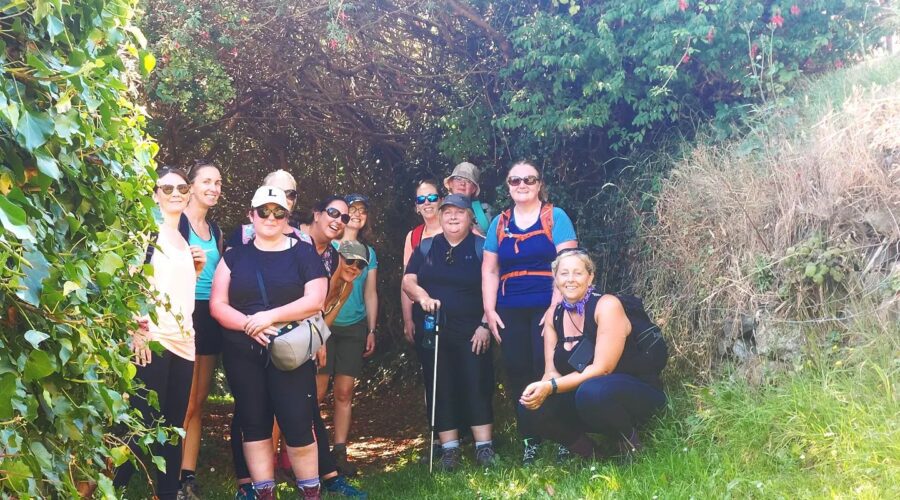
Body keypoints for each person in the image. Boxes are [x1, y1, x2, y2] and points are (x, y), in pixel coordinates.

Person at [210, 186, 327, 499]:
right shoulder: (234, 256)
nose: (271, 218)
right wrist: (251, 325)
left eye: (278, 212)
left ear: (287, 217)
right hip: (242, 353)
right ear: (251, 215)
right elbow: (218, 305)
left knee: (299, 425)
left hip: (291, 353)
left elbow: (315, 300)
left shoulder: (303, 252)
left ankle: (310, 493)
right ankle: (264, 493)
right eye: (264, 211)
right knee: (254, 424)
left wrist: (269, 317)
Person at [519, 249, 667, 459]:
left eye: (578, 273)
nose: (571, 279)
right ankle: (592, 455)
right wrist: (542, 389)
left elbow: (602, 369)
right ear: (556, 278)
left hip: (636, 395)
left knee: (591, 391)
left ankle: (631, 446)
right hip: (588, 398)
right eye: (564, 273)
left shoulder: (606, 305)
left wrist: (550, 387)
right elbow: (551, 372)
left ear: (590, 278)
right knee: (529, 407)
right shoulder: (554, 314)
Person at [114, 166, 206, 500]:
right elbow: (126, 287)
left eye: (182, 188)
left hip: (184, 343)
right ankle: (114, 489)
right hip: (152, 340)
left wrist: (195, 270)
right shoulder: (145, 234)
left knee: (173, 428)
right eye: (167, 189)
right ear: (155, 194)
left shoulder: (184, 241)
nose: (176, 194)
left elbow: (177, 294)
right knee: (138, 424)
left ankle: (167, 494)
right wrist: (135, 332)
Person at [481, 161, 578, 464]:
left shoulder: (555, 216)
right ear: (508, 186)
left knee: (551, 368)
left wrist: (554, 308)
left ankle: (565, 438)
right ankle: (530, 439)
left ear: (539, 184)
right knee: (518, 371)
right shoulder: (499, 222)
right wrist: (489, 309)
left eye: (528, 179)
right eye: (515, 180)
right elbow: (490, 268)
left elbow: (569, 264)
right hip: (510, 308)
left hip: (549, 305)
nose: (521, 185)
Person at [402, 194, 496, 471]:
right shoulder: (426, 247)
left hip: (472, 331)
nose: (453, 217)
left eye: (460, 212)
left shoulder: (482, 247)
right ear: (440, 217)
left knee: (477, 384)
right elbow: (409, 280)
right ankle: (449, 451)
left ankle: (484, 449)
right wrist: (421, 297)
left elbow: (493, 287)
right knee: (439, 386)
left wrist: (485, 325)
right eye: (448, 213)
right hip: (435, 329)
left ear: (470, 218)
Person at [304, 195, 369, 498]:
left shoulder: (349, 283)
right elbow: (316, 308)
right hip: (302, 335)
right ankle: (286, 456)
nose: (354, 267)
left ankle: (330, 458)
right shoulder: (328, 271)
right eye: (350, 262)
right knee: (310, 396)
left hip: (323, 333)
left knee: (337, 393)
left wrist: (345, 295)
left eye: (360, 264)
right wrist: (319, 341)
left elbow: (325, 319)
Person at [316, 194, 378, 476]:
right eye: (351, 210)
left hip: (354, 326)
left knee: (344, 392)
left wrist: (371, 329)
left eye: (362, 211)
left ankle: (339, 452)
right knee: (315, 392)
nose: (356, 215)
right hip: (324, 326)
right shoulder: (330, 245)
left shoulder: (368, 252)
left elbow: (370, 292)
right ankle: (307, 449)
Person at [178, 160, 224, 499]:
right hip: (182, 311)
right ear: (191, 186)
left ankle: (188, 477)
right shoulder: (175, 223)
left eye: (218, 183)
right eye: (206, 181)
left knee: (200, 400)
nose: (213, 187)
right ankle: (170, 475)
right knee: (184, 401)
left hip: (210, 314)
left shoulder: (216, 231)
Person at [401, 180, 443, 344]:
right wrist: (407, 319)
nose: (427, 202)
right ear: (417, 207)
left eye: (432, 197)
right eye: (421, 199)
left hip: (459, 311)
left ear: (441, 201)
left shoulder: (457, 228)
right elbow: (406, 280)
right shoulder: (413, 236)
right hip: (425, 313)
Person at [226, 169, 305, 250]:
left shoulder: (304, 241)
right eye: (276, 191)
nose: (282, 198)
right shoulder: (242, 235)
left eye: (290, 194)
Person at [444, 162, 493, 236]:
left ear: (474, 189)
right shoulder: (440, 209)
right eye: (458, 179)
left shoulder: (484, 211)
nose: (462, 184)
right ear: (451, 183)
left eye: (468, 181)